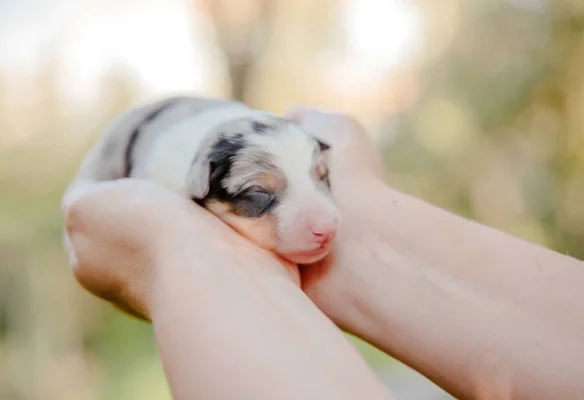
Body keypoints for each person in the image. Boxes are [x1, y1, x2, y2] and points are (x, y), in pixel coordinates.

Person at [62, 107, 584, 400]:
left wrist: (178, 259)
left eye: (321, 179)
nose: (325, 219)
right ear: (199, 187)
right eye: (263, 194)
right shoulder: (167, 164)